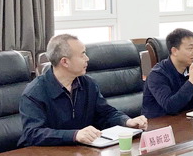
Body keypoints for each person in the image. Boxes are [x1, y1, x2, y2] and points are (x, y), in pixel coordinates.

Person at [18, 34, 148, 147]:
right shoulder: (34, 92)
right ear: (65, 62)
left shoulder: (87, 84)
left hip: (81, 151)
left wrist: (127, 121)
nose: (87, 59)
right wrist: (75, 135)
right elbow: (33, 133)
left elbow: (105, 114)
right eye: (82, 54)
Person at [142, 28, 193, 118]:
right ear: (174, 51)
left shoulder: (192, 70)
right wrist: (191, 82)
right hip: (160, 124)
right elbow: (170, 107)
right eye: (190, 48)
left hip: (187, 121)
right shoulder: (157, 74)